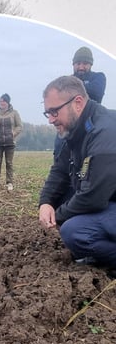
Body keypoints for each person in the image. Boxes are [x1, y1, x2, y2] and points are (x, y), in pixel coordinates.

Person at [38, 76, 116, 269]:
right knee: (63, 201)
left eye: (54, 111)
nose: (51, 120)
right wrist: (46, 202)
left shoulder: (105, 132)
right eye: (47, 113)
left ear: (78, 103)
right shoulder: (77, 130)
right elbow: (60, 170)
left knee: (75, 231)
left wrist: (58, 217)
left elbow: (93, 197)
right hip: (110, 199)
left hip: (104, 198)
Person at [55, 47, 108, 159]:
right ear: (73, 64)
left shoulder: (99, 77)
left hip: (91, 125)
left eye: (85, 63)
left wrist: (72, 87)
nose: (81, 67)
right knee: (60, 151)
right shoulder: (66, 80)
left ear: (91, 65)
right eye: (78, 63)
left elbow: (97, 92)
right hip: (70, 124)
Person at [0, 93, 22, 191]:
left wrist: (13, 133)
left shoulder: (14, 113)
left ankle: (9, 182)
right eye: (0, 101)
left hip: (10, 143)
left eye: (3, 101)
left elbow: (19, 126)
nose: (1, 103)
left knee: (9, 163)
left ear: (8, 102)